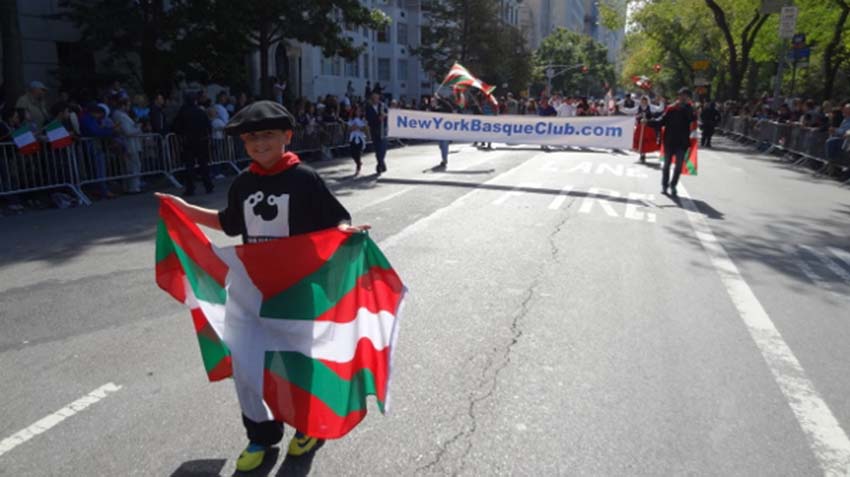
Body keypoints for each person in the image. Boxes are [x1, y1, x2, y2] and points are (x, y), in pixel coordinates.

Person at [155, 100, 369, 472]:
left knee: (297, 364)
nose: (259, 144)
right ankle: (261, 435)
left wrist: (343, 233)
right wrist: (182, 208)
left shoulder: (305, 179)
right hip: (252, 292)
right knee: (248, 365)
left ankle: (306, 427)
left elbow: (335, 220)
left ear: (287, 136)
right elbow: (228, 223)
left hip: (298, 292)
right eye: (251, 138)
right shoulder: (244, 182)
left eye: (268, 135)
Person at [645, 87, 697, 197]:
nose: (683, 97)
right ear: (678, 96)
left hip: (682, 143)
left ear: (688, 98)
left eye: (685, 96)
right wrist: (648, 122)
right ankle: (664, 185)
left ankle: (673, 185)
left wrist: (686, 108)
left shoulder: (690, 109)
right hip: (669, 141)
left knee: (678, 166)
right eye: (681, 95)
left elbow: (692, 119)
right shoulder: (671, 109)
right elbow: (661, 121)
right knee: (667, 165)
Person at [172, 92, 213, 195]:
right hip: (201, 140)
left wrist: (182, 133)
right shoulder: (200, 112)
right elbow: (208, 126)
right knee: (203, 164)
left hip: (188, 141)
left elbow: (176, 127)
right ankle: (208, 185)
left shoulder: (183, 113)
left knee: (189, 165)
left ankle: (190, 188)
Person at [112, 98, 144, 193]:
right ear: (123, 105)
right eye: (128, 105)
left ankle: (130, 186)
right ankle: (134, 187)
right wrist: (138, 128)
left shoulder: (119, 115)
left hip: (128, 143)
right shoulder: (121, 116)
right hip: (129, 144)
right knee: (134, 166)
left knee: (130, 166)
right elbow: (128, 132)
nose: (129, 107)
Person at [365, 92, 388, 174]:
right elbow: (369, 120)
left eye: (377, 97)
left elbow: (388, 114)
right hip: (375, 131)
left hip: (383, 130)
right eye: (374, 98)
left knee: (383, 148)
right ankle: (381, 164)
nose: (375, 99)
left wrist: (384, 116)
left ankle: (380, 164)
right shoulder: (368, 108)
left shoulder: (383, 105)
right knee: (378, 149)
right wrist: (378, 119)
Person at [347, 105, 367, 175]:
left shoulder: (363, 120)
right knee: (353, 153)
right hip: (353, 138)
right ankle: (358, 162)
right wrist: (352, 127)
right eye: (357, 111)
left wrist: (358, 127)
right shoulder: (351, 119)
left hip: (360, 138)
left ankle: (358, 167)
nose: (358, 112)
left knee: (358, 153)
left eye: (359, 111)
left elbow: (365, 129)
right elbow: (348, 129)